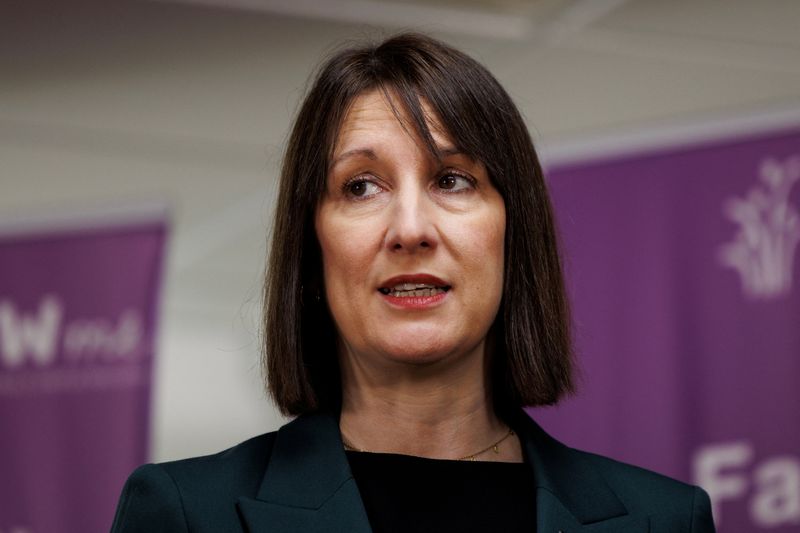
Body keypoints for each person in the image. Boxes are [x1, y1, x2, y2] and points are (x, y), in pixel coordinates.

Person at [111, 33, 715, 532]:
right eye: (361, 186)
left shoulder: (666, 520)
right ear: (312, 245)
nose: (409, 229)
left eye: (452, 180)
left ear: (513, 233)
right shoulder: (186, 514)